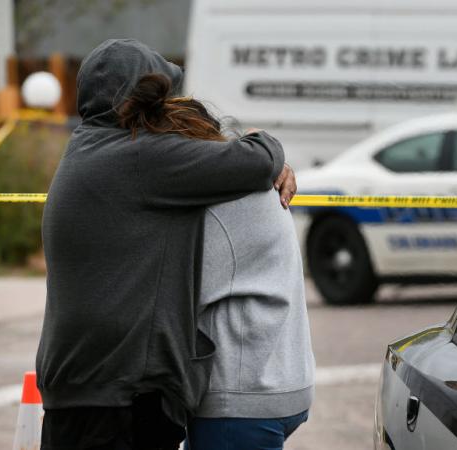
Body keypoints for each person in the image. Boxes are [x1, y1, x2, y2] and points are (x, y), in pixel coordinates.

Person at [35, 39, 297, 450]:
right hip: (121, 396)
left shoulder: (86, 147)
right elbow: (259, 161)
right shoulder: (139, 157)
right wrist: (263, 141)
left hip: (81, 389)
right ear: (141, 102)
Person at [117, 72, 315, 450]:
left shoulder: (220, 206)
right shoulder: (251, 183)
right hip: (277, 380)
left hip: (240, 398)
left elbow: (170, 293)